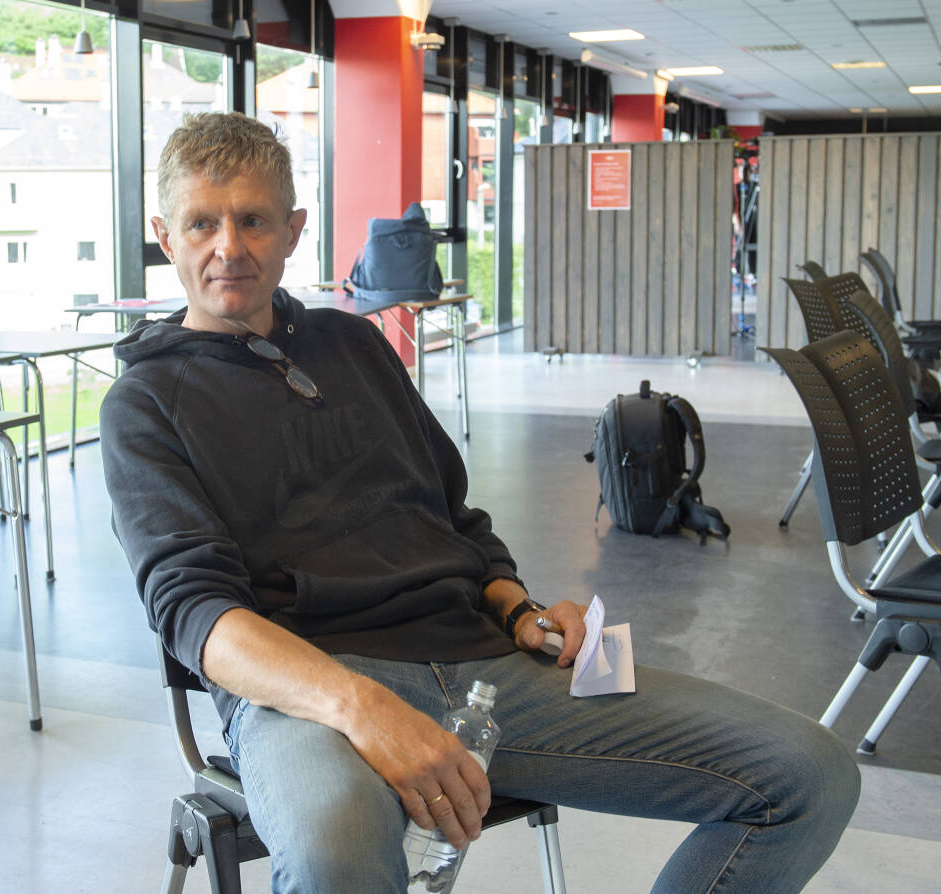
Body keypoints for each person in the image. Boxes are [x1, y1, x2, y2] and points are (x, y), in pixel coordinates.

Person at [100, 112, 859, 894]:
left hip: (484, 668)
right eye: (202, 223)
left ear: (293, 230)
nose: (229, 248)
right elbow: (197, 618)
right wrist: (361, 706)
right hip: (307, 693)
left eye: (253, 220)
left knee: (809, 775)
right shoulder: (145, 402)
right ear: (165, 233)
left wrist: (517, 609)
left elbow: (455, 519)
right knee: (336, 851)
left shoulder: (353, 345)